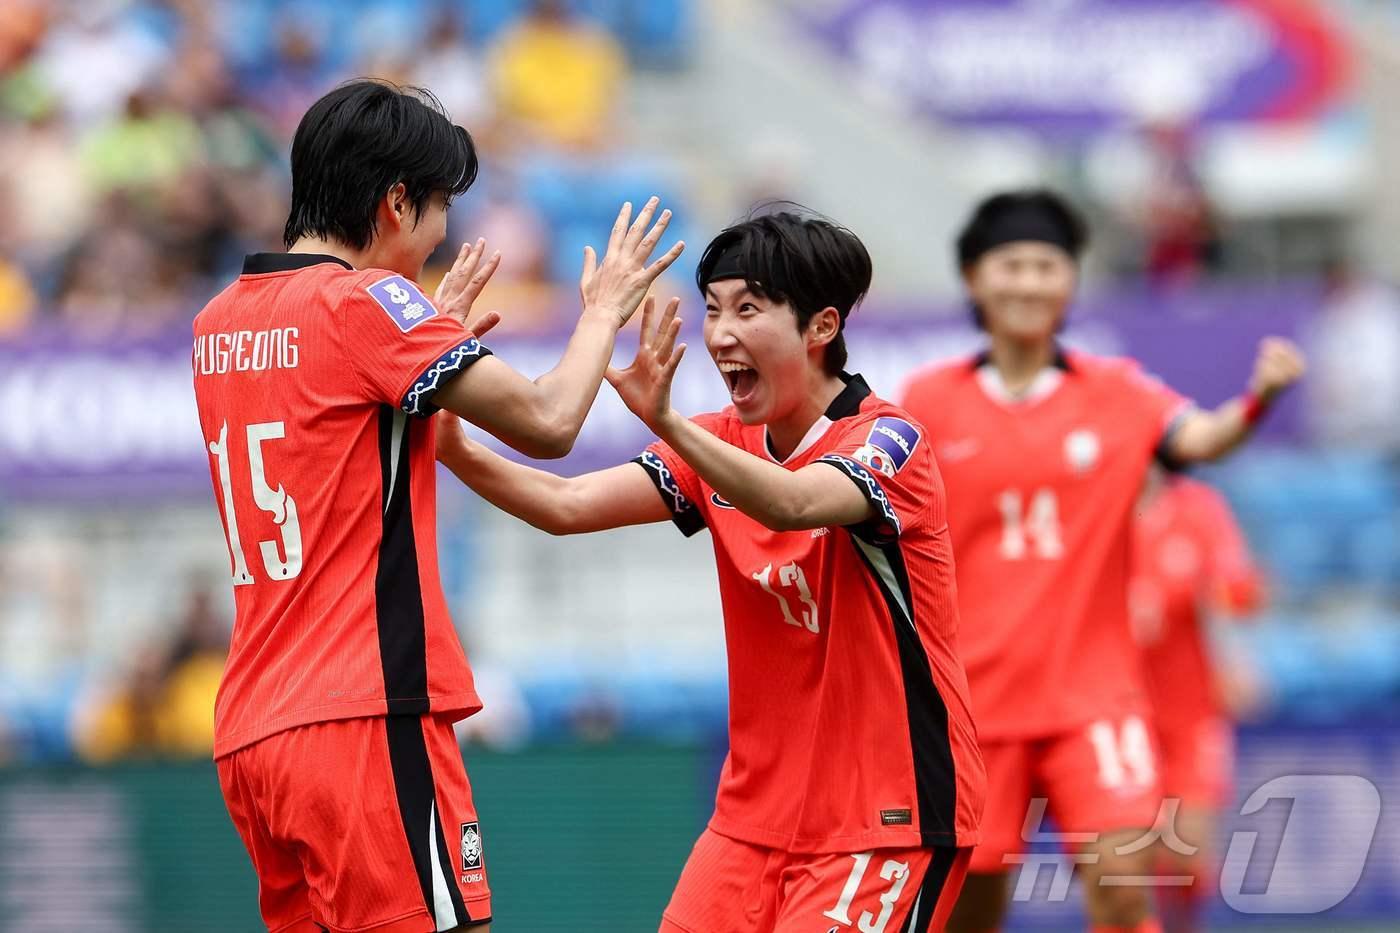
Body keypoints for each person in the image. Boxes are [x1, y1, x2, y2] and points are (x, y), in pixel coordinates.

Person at [191, 79, 681, 933]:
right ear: (394, 202)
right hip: (363, 714)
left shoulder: (218, 322)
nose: (438, 239)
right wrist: (604, 311)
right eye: (439, 210)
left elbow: (332, 433)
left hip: (253, 730)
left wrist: (418, 357)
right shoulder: (365, 306)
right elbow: (550, 420)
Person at [436, 210, 986, 933]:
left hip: (887, 817)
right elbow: (565, 504)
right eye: (714, 309)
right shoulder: (721, 440)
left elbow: (792, 501)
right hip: (750, 825)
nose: (721, 333)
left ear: (822, 326)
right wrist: (452, 443)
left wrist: (666, 422)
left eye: (748, 309)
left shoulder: (890, 441)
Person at [897, 189, 1304, 933]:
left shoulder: (1116, 391)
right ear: (974, 278)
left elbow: (1201, 438)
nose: (1029, 282)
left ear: (1071, 280)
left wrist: (1257, 400)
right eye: (1011, 265)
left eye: (1047, 265)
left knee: (1122, 890)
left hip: (1095, 701)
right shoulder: (927, 401)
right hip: (973, 707)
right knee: (969, 911)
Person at [1129, 470, 1264, 933]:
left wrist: (1235, 657)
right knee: (1131, 856)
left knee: (1189, 849)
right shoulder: (1100, 504)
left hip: (1192, 711)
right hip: (1123, 711)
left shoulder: (1198, 508)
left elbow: (1233, 590)